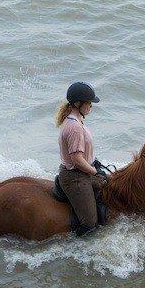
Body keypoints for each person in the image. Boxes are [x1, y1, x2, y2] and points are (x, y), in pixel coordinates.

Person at [55, 82, 107, 236]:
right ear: (78, 104)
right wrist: (94, 171)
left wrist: (94, 163)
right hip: (76, 177)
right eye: (89, 103)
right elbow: (77, 159)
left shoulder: (76, 122)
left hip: (82, 171)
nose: (91, 106)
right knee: (90, 223)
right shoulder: (75, 127)